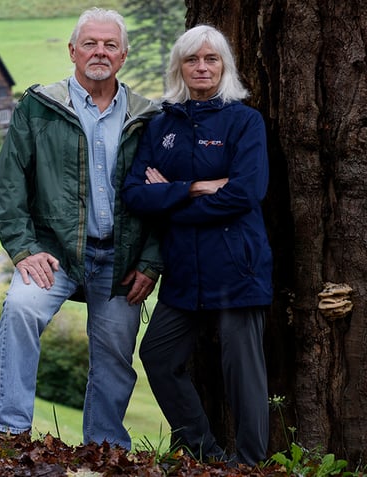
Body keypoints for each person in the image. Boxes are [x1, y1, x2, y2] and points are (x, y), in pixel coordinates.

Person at [0, 7, 162, 450]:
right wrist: (25, 250)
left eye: (109, 45)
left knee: (116, 354)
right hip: (55, 253)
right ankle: (9, 431)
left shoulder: (149, 118)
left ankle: (103, 447)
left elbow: (164, 201)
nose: (99, 52)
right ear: (72, 51)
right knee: (21, 309)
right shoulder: (40, 107)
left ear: (123, 56)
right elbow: (7, 187)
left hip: (121, 258)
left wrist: (149, 261)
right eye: (90, 43)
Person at [121, 25, 272, 465]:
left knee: (241, 371)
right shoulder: (161, 124)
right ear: (179, 67)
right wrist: (196, 188)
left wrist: (169, 198)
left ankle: (248, 463)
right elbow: (134, 193)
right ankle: (204, 452)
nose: (201, 67)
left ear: (224, 66)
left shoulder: (245, 120)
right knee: (157, 353)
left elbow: (245, 193)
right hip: (184, 268)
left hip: (236, 264)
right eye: (192, 60)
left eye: (211, 59)